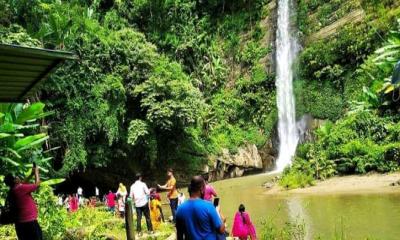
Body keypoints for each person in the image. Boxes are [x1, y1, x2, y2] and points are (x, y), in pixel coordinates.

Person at [176, 176, 226, 240]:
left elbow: (179, 235)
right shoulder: (209, 206)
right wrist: (219, 215)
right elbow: (221, 230)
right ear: (201, 189)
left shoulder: (179, 209)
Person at [4, 164, 42, 240]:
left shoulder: (13, 190)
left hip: (20, 224)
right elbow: (37, 185)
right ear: (15, 180)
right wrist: (36, 172)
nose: (18, 177)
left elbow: (23, 183)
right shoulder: (20, 188)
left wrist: (31, 174)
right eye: (16, 176)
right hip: (29, 223)